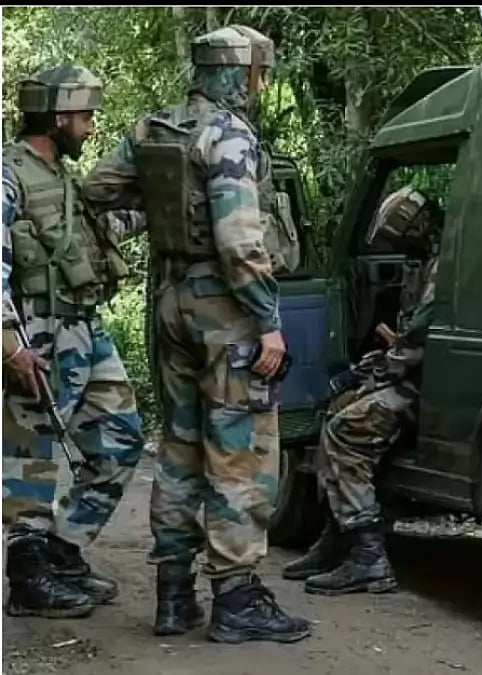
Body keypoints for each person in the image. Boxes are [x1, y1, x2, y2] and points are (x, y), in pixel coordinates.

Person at [82, 25, 309, 644]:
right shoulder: (229, 135)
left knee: (180, 446)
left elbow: (96, 189)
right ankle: (236, 598)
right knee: (238, 450)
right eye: (258, 73)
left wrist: (155, 223)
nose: (260, 85)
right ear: (239, 73)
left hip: (169, 303)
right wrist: (268, 322)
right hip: (226, 312)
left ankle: (175, 596)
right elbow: (240, 243)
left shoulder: (154, 129)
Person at [2, 64, 145, 619]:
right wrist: (10, 347)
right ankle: (28, 575)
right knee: (31, 456)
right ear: (56, 116)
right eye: (84, 116)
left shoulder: (60, 176)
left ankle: (61, 553)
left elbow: (93, 236)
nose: (90, 127)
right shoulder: (7, 173)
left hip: (82, 328)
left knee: (121, 438)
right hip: (32, 334)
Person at [280, 185, 443, 596]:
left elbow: (422, 336)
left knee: (345, 431)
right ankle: (339, 537)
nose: (399, 246)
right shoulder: (422, 263)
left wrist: (386, 366)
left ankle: (368, 557)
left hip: (429, 386)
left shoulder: (444, 266)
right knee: (336, 408)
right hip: (412, 375)